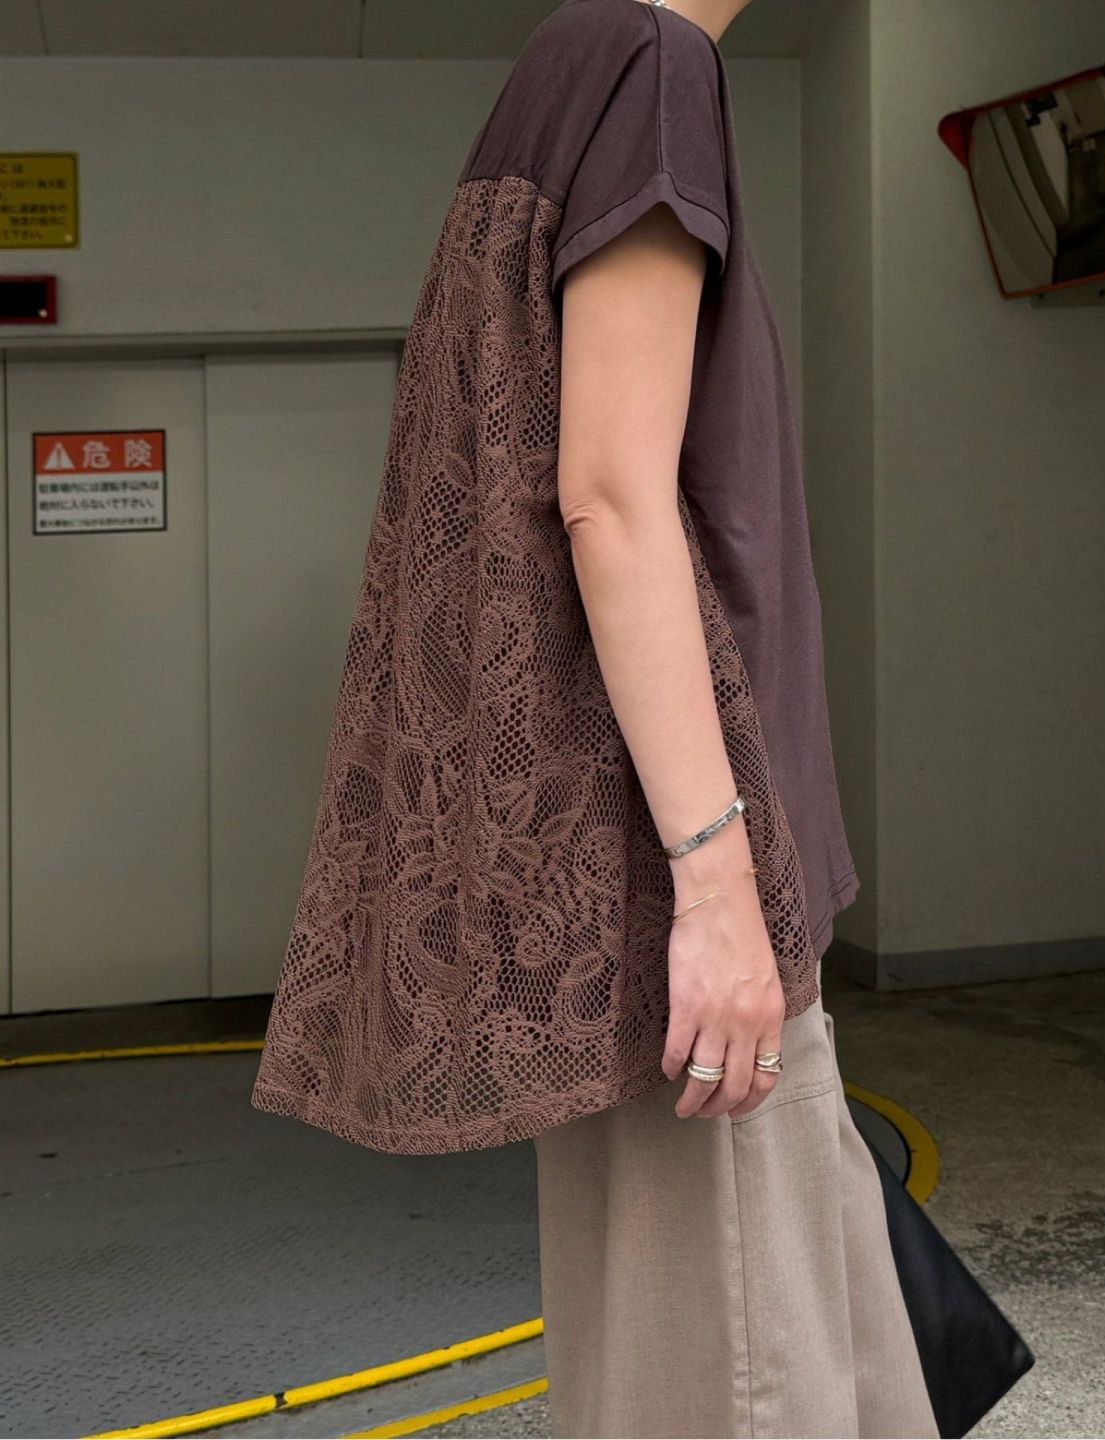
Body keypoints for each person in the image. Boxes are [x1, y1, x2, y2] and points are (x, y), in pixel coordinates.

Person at [251, 0, 938, 1434]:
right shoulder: (653, 65)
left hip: (642, 873)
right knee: (741, 1379)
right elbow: (609, 499)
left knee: (760, 1350)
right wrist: (718, 889)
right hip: (685, 873)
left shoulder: (567, 76)